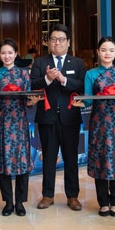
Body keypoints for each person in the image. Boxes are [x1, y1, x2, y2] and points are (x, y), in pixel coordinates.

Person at [75, 37, 115, 216]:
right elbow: (88, 98)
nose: (107, 53)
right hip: (98, 122)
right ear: (98, 52)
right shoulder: (91, 74)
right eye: (103, 50)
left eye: (111, 50)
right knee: (100, 160)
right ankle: (103, 202)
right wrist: (80, 103)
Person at [30, 23, 86, 210]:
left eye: (61, 39)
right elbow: (32, 85)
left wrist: (63, 80)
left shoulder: (77, 63)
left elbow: (81, 86)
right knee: (49, 157)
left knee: (71, 158)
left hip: (70, 118)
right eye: (54, 39)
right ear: (48, 42)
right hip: (47, 118)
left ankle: (73, 196)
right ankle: (48, 195)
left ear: (68, 42)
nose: (57, 43)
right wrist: (47, 79)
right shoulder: (40, 63)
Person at [0, 39, 35, 216]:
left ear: (16, 54)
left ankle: (20, 202)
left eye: (10, 53)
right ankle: (8, 202)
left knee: (22, 160)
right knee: (3, 161)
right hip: (2, 121)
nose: (7, 56)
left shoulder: (24, 74)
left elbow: (27, 100)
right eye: (3, 53)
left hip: (19, 122)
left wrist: (33, 101)